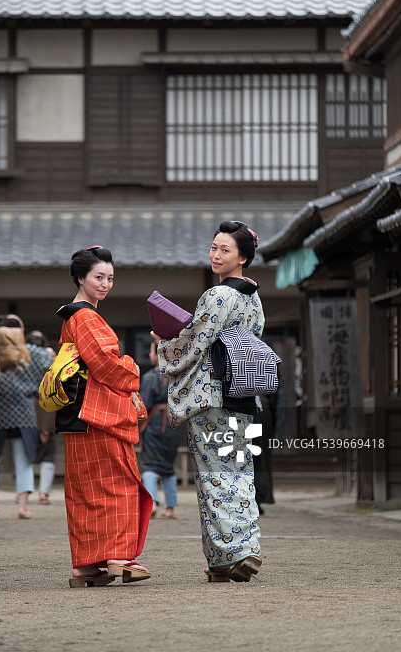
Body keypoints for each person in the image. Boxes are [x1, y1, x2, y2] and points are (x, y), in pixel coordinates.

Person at [153, 220, 264, 583]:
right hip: (244, 395)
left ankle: (233, 553)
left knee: (214, 479)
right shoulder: (253, 298)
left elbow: (194, 343)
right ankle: (232, 555)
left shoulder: (218, 296)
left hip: (213, 397)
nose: (216, 255)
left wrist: (163, 344)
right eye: (214, 247)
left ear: (243, 257)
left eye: (225, 250)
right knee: (240, 473)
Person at [56, 246, 153, 588]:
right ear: (80, 278)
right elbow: (106, 365)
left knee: (85, 490)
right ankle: (118, 557)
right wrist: (133, 366)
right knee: (118, 483)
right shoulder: (85, 316)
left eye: (110, 278)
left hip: (77, 416)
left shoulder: (74, 317)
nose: (105, 284)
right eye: (98, 277)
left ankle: (86, 565)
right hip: (99, 415)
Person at [0, 314, 52, 519]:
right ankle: (22, 507)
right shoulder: (30, 351)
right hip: (23, 410)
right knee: (23, 461)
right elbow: (48, 361)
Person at [139, 340, 181, 519]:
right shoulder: (179, 376)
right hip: (173, 424)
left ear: (158, 355)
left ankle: (152, 503)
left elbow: (145, 404)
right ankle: (170, 508)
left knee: (149, 463)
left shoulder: (150, 377)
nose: (150, 355)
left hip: (154, 422)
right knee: (168, 465)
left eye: (151, 352)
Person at [27, 330, 57, 505]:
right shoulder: (50, 357)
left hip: (26, 409)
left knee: (25, 452)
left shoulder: (22, 357)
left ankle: (23, 491)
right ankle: (43, 493)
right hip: (46, 405)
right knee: (47, 454)